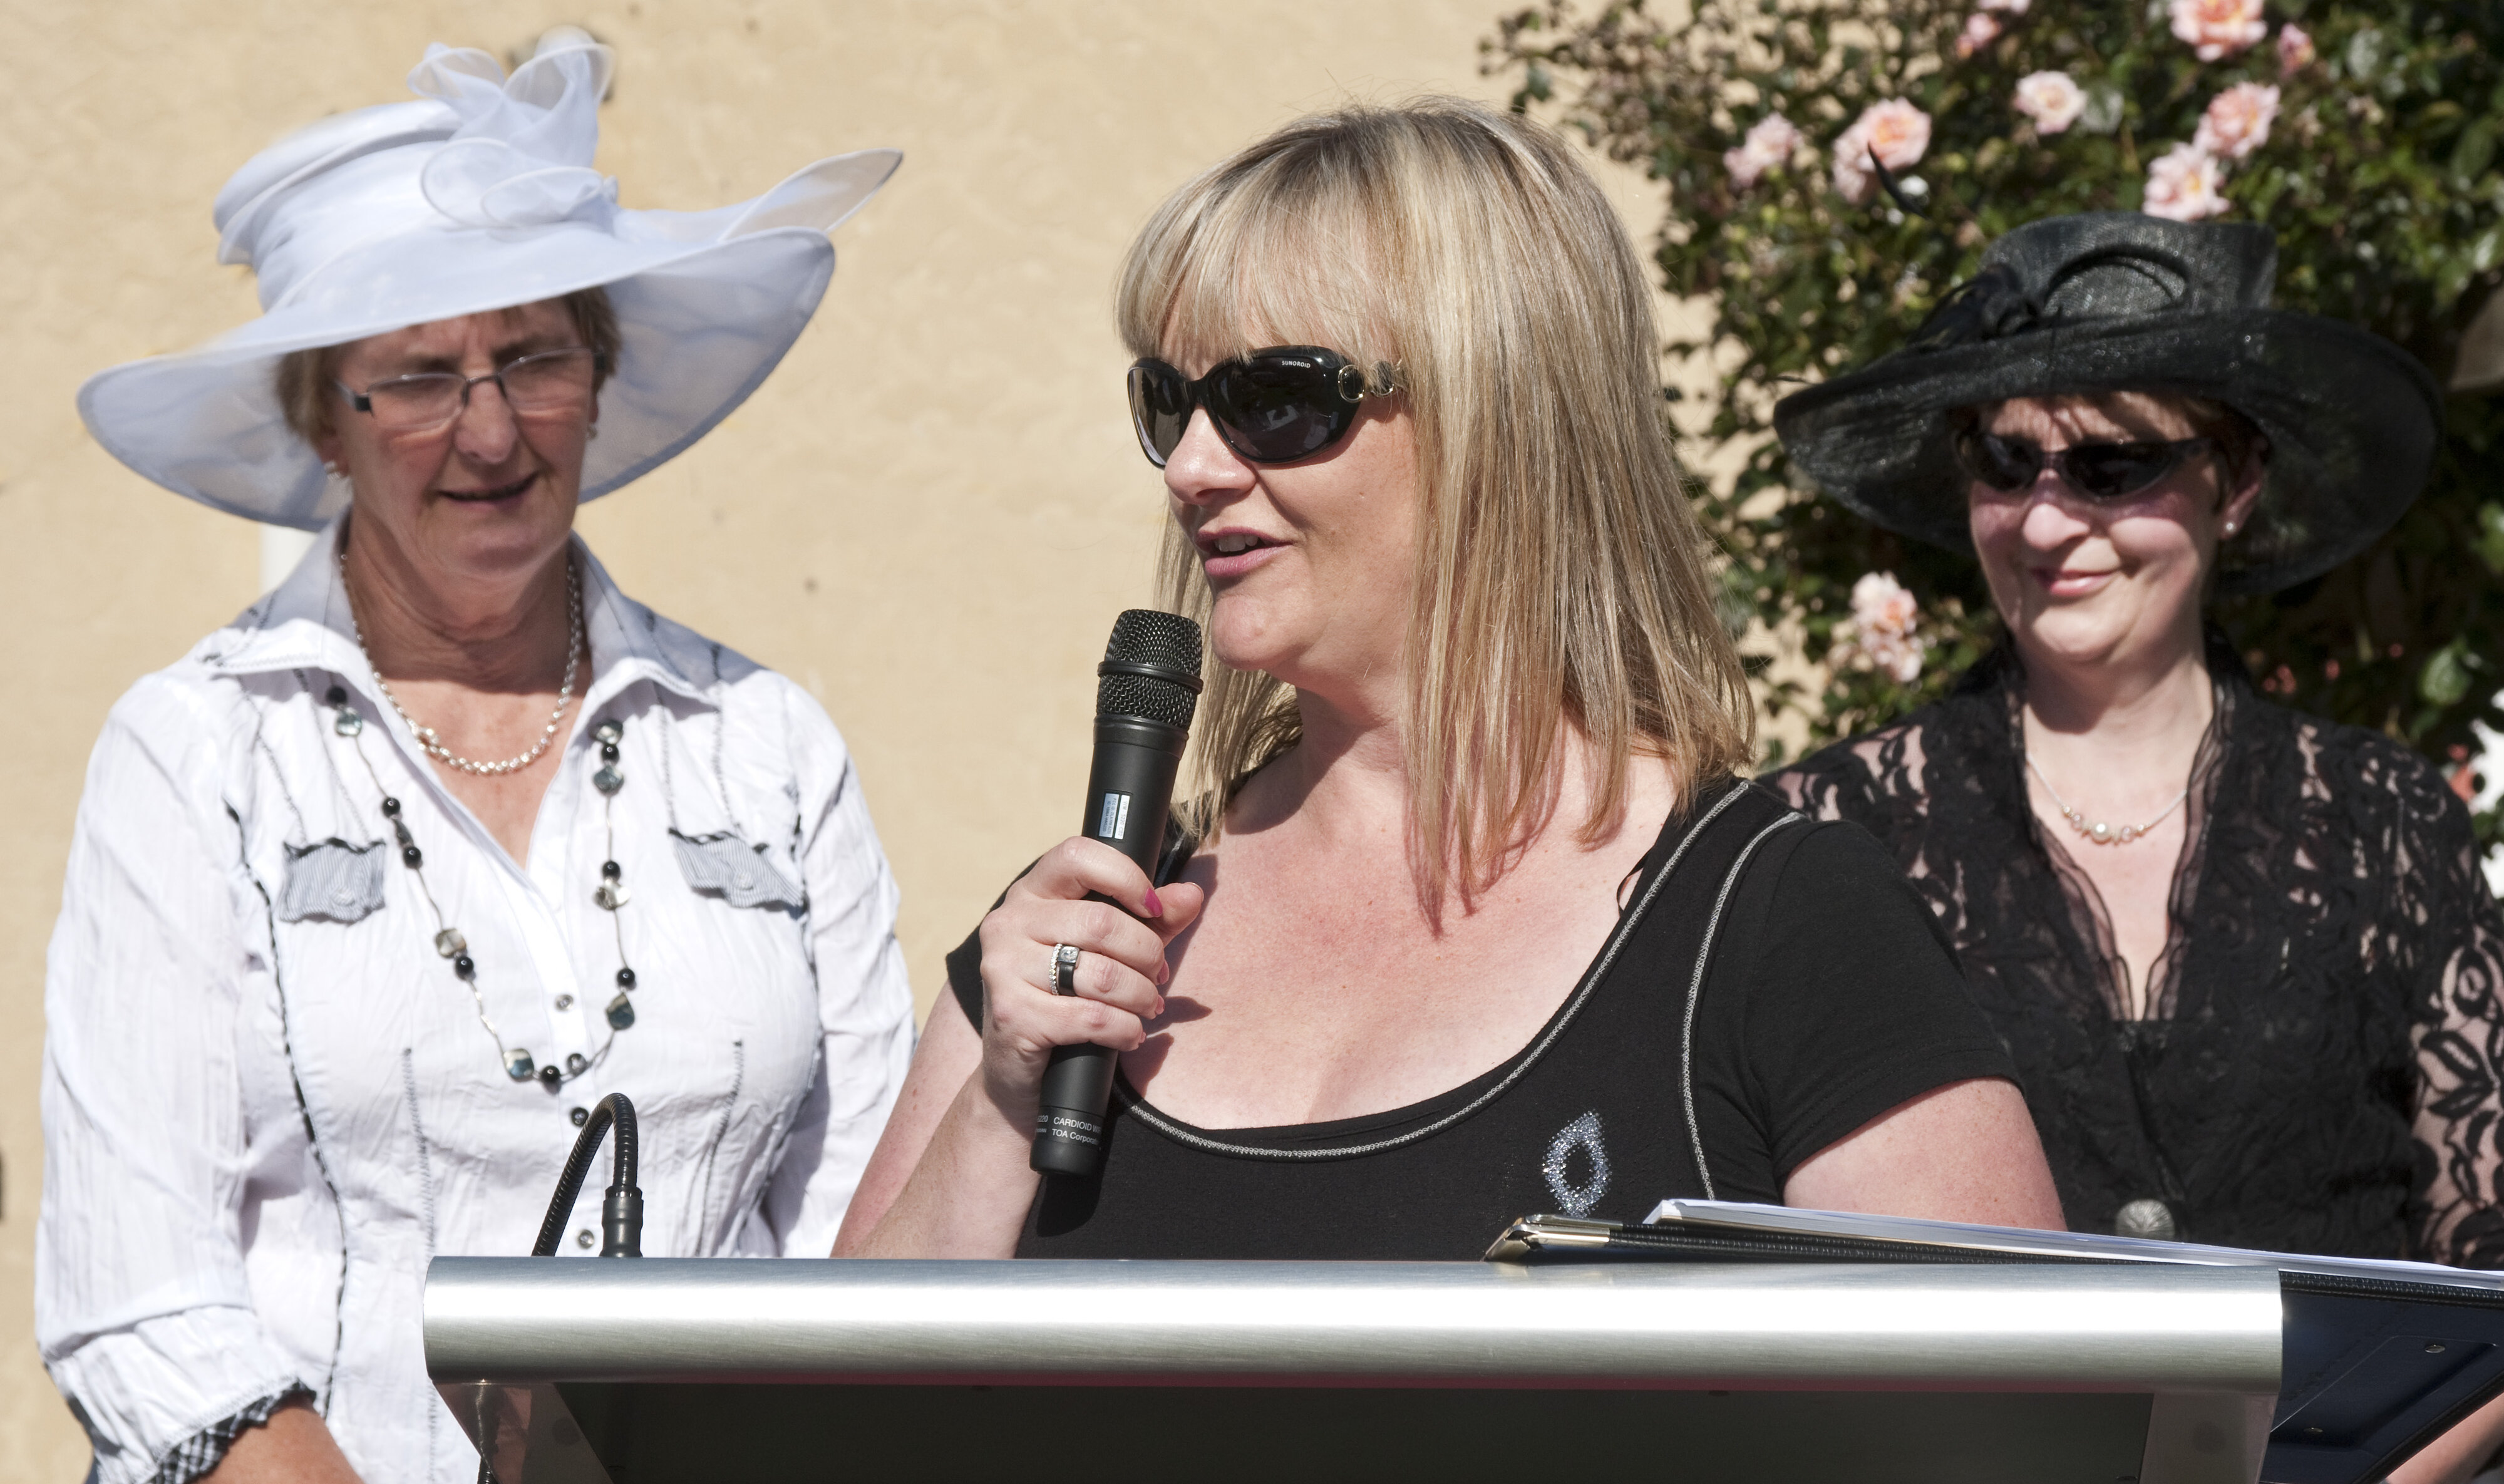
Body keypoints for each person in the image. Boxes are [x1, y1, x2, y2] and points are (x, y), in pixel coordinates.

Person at [835, 98, 2062, 1264]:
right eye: (1171, 400)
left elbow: (2023, 1423)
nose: (1194, 465)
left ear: (1499, 417)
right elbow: (807, 1413)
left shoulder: (1774, 921)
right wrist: (1001, 1096)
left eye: (1272, 398)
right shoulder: (1083, 926)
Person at [39, 34, 915, 1484]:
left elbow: (857, 1245)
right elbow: (140, 1306)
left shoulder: (762, 744)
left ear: (601, 370)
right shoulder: (200, 753)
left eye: (533, 359)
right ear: (325, 416)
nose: (491, 431)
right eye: (420, 378)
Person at [1764, 212, 2504, 1483]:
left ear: (2237, 477)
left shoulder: (2386, 820)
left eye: (2110, 467)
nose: (2046, 525)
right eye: (2003, 463)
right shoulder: (1830, 833)